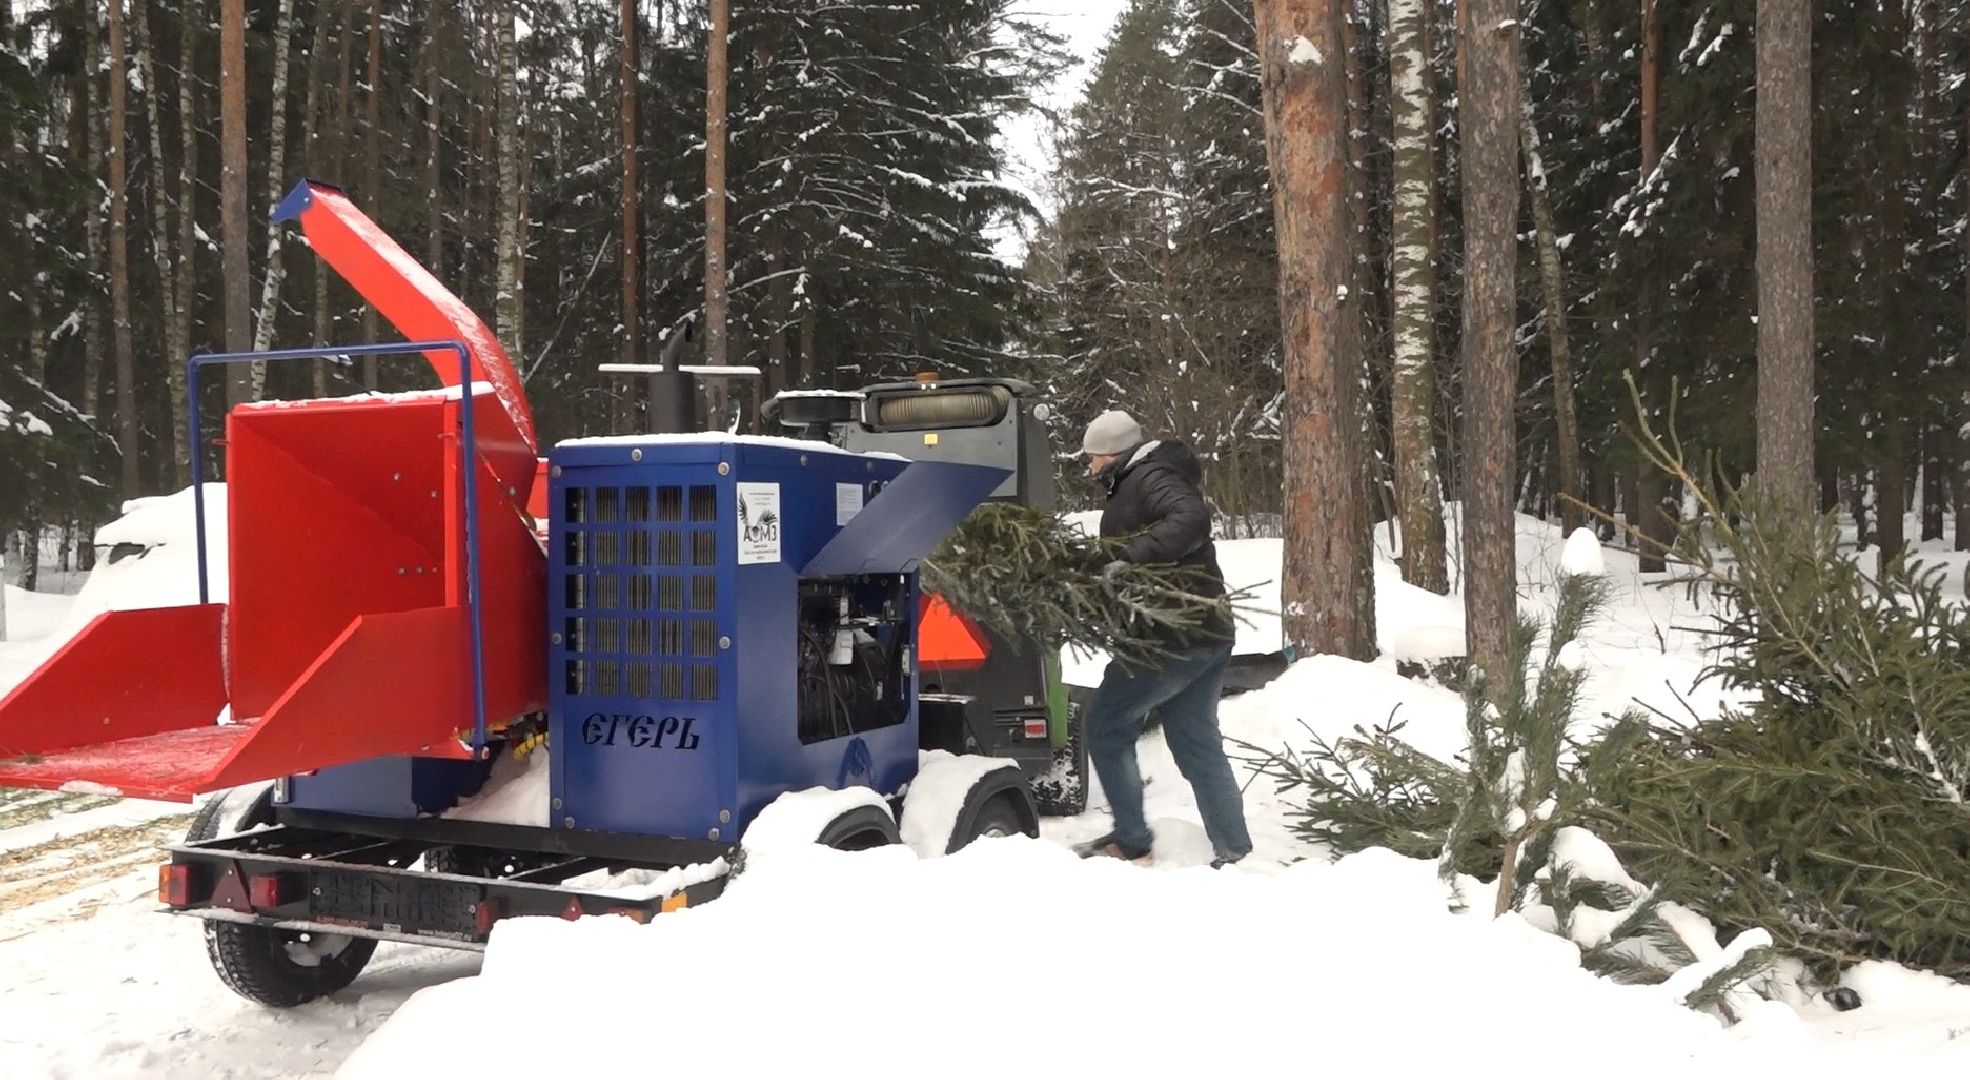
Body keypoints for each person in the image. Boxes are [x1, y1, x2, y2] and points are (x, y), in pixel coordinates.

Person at [1073, 409, 1254, 869]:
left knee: (1106, 725)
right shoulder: (1144, 478)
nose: (1090, 466)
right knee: (1197, 743)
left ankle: (1133, 841)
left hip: (1171, 636)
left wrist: (1132, 558)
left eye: (1093, 457)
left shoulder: (1150, 476)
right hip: (1204, 632)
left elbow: (1190, 517)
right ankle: (1234, 851)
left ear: (1113, 453)